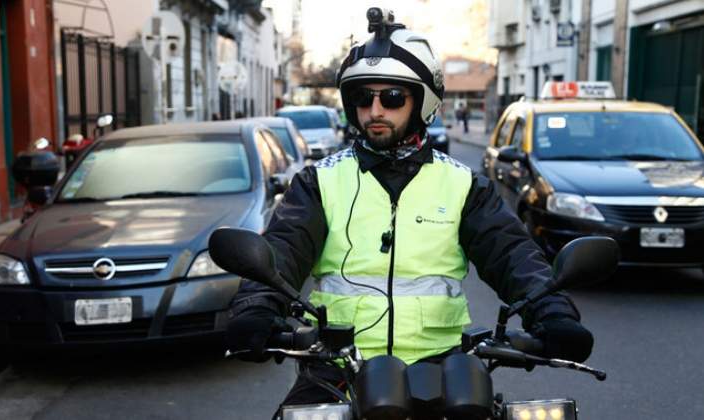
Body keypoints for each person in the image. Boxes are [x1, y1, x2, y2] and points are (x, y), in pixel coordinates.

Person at [225, 9, 593, 413]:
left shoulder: (464, 185)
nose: (375, 110)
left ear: (423, 102)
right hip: (337, 369)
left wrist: (552, 311)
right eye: (363, 98)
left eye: (393, 97)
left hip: (441, 370)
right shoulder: (319, 182)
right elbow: (282, 249)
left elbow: (512, 254)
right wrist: (256, 306)